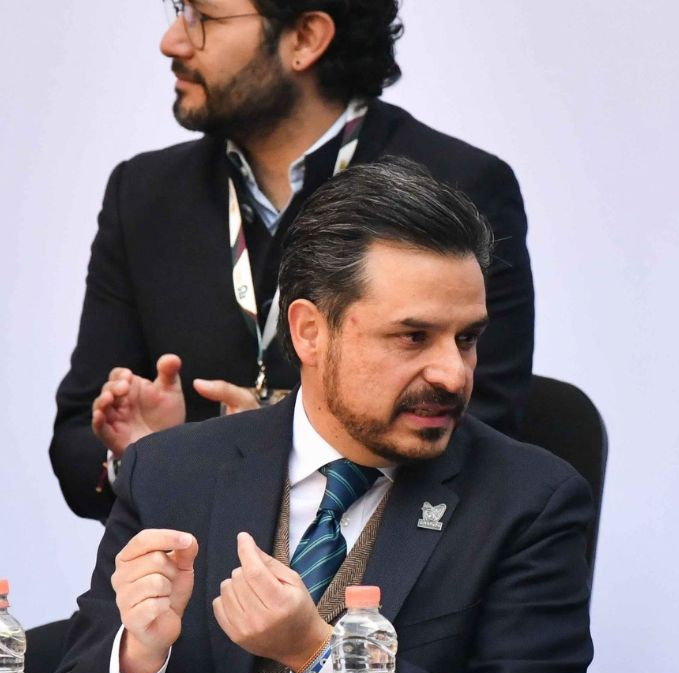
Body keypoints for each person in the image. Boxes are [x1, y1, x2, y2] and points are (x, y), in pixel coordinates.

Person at [52, 159, 592, 673]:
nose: (453, 374)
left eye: (467, 339)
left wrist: (316, 654)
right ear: (310, 331)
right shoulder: (170, 472)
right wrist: (139, 659)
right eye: (413, 337)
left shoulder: (531, 503)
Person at [51, 0, 535, 522]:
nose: (173, 41)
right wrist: (145, 458)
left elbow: (480, 440)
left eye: (203, 19)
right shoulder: (144, 194)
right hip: (188, 577)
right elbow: (78, 444)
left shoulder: (456, 187)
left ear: (305, 38)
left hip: (378, 583)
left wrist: (262, 452)